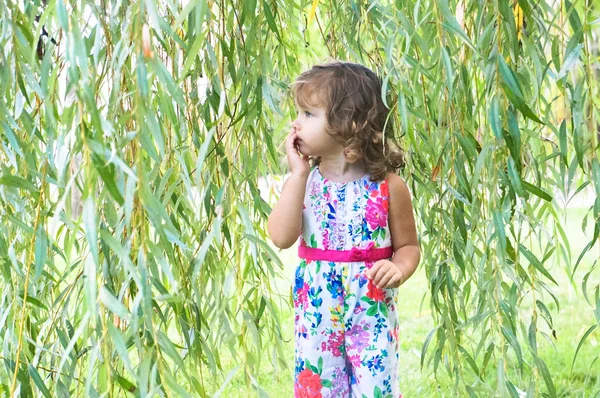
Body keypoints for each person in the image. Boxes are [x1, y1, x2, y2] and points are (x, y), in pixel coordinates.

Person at [267, 60, 420, 398]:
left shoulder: (389, 187)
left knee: (375, 389)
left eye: (308, 114)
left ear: (349, 124)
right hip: (318, 313)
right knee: (319, 388)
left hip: (371, 312)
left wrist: (398, 267)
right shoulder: (304, 184)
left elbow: (409, 247)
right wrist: (297, 176)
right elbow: (281, 236)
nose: (295, 123)